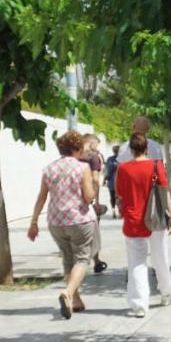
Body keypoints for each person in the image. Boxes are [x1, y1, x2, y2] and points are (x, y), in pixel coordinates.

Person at [27, 130, 98, 319]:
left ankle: (75, 300)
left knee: (68, 259)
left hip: (56, 221)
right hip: (79, 219)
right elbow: (89, 196)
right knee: (82, 258)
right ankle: (67, 293)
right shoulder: (82, 167)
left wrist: (33, 221)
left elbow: (42, 196)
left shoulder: (49, 169)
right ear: (76, 148)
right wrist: (94, 185)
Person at [114, 132, 171, 317]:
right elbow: (165, 191)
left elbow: (120, 194)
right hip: (156, 217)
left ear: (131, 150)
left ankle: (139, 303)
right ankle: (167, 291)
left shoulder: (124, 169)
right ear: (147, 148)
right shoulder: (156, 165)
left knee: (136, 262)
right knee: (160, 258)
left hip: (133, 220)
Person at [80, 133, 108, 274]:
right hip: (88, 198)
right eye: (96, 143)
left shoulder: (74, 156)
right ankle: (96, 261)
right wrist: (96, 201)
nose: (97, 146)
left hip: (74, 200)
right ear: (91, 143)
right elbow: (96, 180)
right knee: (93, 232)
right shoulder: (93, 157)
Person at [105, 144, 121, 219]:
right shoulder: (122, 159)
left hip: (113, 181)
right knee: (117, 197)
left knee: (113, 197)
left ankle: (114, 211)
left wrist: (106, 177)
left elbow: (107, 169)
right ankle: (117, 211)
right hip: (116, 181)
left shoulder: (110, 159)